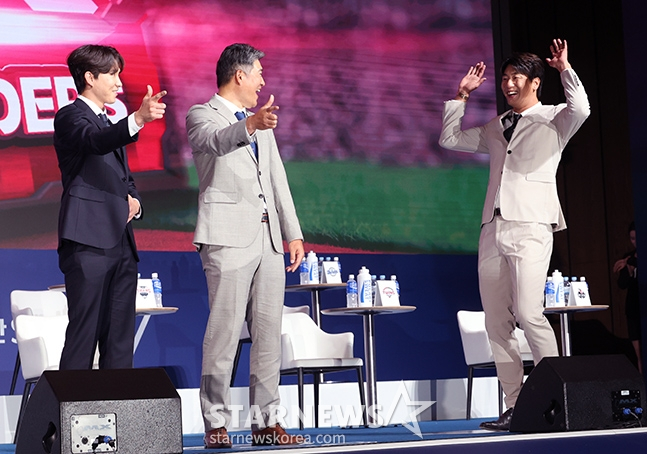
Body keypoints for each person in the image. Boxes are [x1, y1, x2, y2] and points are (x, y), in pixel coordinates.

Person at [439, 39, 590, 430]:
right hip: (492, 227)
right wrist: (461, 96)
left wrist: (564, 69)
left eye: (516, 77)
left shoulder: (556, 118)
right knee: (495, 322)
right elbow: (450, 140)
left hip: (531, 225)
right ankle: (516, 405)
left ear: (535, 82)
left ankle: (559, 398)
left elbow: (582, 108)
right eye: (505, 77)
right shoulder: (496, 126)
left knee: (528, 313)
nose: (508, 83)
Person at [186, 43, 305, 448]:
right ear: (239, 75)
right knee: (224, 332)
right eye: (258, 74)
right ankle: (215, 422)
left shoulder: (260, 121)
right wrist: (250, 125)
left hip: (268, 241)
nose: (262, 82)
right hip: (226, 239)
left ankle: (266, 423)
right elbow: (215, 142)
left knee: (268, 336)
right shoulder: (201, 114)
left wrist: (293, 232)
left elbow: (276, 177)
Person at [54, 44, 166, 370]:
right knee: (84, 334)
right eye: (112, 74)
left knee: (120, 339)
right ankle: (71, 403)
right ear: (90, 77)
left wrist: (136, 201)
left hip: (121, 242)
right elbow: (94, 142)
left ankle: (119, 403)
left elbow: (124, 178)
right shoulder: (71, 116)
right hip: (88, 240)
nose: (119, 83)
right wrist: (138, 119)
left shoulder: (108, 121)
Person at [614, 221, 640, 373]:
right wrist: (629, 270)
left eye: (637, 238)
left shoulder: (629, 260)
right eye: (632, 238)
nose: (635, 242)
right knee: (639, 354)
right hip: (633, 308)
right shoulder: (628, 257)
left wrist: (628, 262)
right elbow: (622, 284)